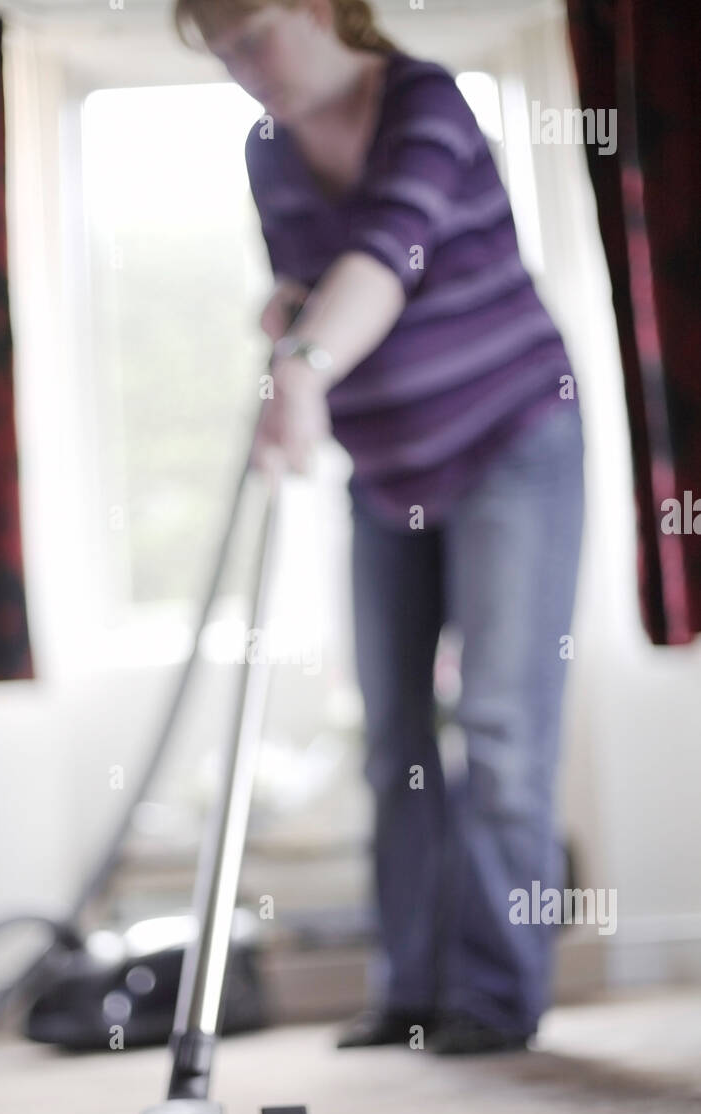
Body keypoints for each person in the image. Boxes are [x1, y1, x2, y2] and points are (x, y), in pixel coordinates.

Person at [174, 0, 585, 1054]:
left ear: (318, 8)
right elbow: (311, 275)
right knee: (390, 738)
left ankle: (493, 999)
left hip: (510, 443)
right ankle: (409, 990)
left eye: (250, 34)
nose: (240, 67)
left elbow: (384, 256)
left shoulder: (425, 102)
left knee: (494, 725)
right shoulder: (266, 150)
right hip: (385, 470)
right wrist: (287, 311)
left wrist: (304, 365)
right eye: (218, 52)